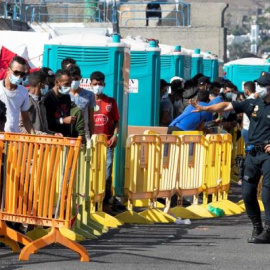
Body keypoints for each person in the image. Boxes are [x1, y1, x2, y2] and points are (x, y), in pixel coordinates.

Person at [190, 71, 270, 244]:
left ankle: (269, 229)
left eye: (264, 85)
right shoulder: (253, 103)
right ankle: (257, 227)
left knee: (267, 194)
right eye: (259, 85)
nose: (260, 88)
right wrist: (205, 108)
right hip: (253, 152)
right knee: (248, 193)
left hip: (268, 154)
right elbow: (227, 106)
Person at [90, 71, 121, 211]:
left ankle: (105, 203)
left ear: (104, 84)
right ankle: (91, 203)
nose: (97, 86)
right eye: (95, 84)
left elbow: (116, 122)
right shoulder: (87, 100)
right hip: (91, 144)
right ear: (90, 84)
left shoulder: (111, 101)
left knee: (106, 174)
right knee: (90, 174)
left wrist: (115, 136)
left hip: (107, 143)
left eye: (100, 84)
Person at [19, 71, 62, 136]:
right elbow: (20, 128)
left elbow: (44, 129)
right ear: (39, 85)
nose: (47, 87)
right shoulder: (24, 100)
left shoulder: (41, 102)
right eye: (45, 84)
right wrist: (41, 135)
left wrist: (54, 134)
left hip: (40, 143)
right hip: (27, 143)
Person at [0, 56, 34, 134]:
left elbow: (26, 119)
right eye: (16, 72)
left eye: (22, 74)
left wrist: (34, 136)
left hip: (14, 138)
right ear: (8, 70)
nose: (19, 76)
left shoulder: (23, 92)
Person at [42, 69, 76, 137]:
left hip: (65, 137)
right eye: (66, 84)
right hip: (51, 137)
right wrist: (62, 120)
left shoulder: (67, 96)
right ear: (57, 82)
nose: (69, 87)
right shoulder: (47, 98)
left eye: (70, 84)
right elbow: (44, 121)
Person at [68, 65, 95, 140]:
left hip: (84, 134)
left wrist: (92, 137)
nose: (74, 81)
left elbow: (91, 119)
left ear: (80, 77)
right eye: (71, 79)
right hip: (67, 134)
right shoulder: (64, 94)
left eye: (76, 79)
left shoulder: (89, 95)